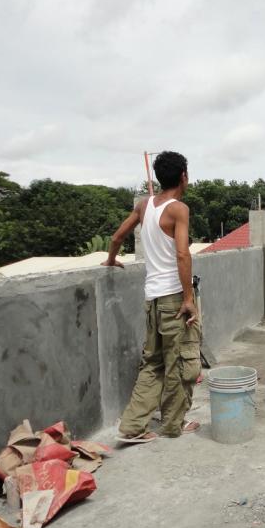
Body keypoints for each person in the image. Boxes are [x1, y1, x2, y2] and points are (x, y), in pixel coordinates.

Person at [102, 151, 201, 442]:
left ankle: (133, 427)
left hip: (153, 300)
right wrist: (188, 298)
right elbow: (183, 254)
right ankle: (173, 425)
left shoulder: (145, 206)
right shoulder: (178, 209)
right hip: (174, 298)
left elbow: (117, 237)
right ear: (184, 176)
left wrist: (110, 260)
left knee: (153, 363)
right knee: (180, 363)